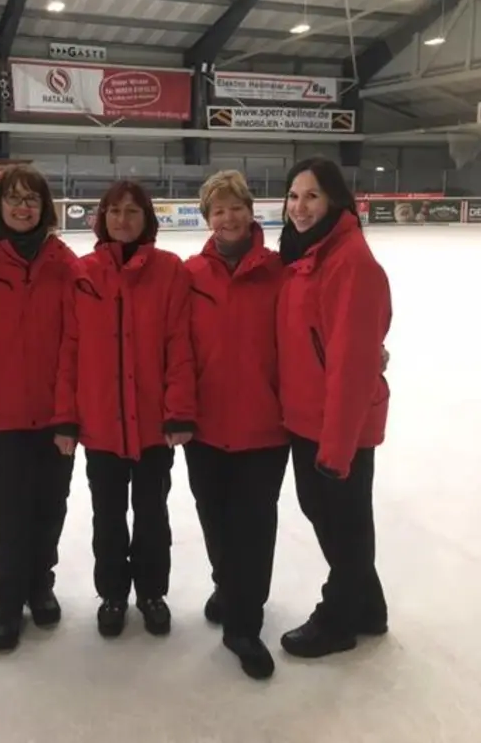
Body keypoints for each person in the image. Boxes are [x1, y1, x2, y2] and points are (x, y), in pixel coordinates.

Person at [53, 180, 196, 640]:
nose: (122, 220)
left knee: (152, 515)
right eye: (114, 211)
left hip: (154, 426)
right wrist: (66, 417)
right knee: (108, 516)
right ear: (102, 218)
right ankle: (112, 594)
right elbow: (70, 349)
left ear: (147, 218)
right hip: (100, 426)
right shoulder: (83, 272)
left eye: (132, 211)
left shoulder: (170, 270)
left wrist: (178, 410)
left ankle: (152, 593)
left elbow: (179, 344)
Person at [274, 157, 393, 660]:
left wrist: (337, 448)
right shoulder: (308, 254)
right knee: (334, 518)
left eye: (312, 196)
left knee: (342, 523)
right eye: (293, 196)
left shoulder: (350, 263)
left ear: (335, 201)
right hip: (308, 417)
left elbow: (350, 364)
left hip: (337, 425)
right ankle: (369, 607)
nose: (299, 207)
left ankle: (338, 619)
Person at [0, 166, 79, 654]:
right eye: (13, 199)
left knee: (50, 505)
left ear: (45, 208)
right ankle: (8, 599)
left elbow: (77, 342)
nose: (23, 207)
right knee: (7, 510)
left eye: (32, 199)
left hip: (56, 413)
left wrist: (70, 410)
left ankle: (39, 584)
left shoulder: (67, 265)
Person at [182, 170, 289, 679]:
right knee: (215, 517)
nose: (228, 218)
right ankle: (228, 586)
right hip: (204, 427)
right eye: (218, 210)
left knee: (254, 525)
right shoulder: (190, 275)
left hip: (264, 425)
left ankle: (245, 623)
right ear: (207, 218)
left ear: (251, 212)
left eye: (236, 207)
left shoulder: (280, 272)